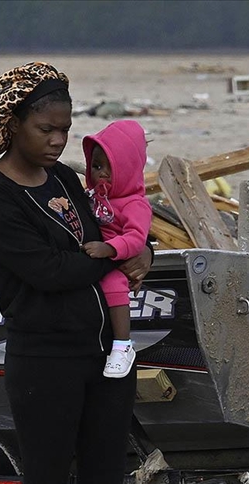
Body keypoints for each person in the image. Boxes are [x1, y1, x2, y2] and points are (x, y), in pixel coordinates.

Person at [0, 62, 152, 484]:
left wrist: (143, 249)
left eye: (65, 129)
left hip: (107, 356)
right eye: (45, 129)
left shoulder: (61, 178)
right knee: (49, 475)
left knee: (107, 474)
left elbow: (104, 232)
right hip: (46, 361)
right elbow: (50, 272)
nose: (58, 141)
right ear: (14, 124)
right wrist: (118, 256)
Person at [82, 120, 153, 378]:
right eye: (96, 165)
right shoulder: (95, 197)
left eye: (110, 168)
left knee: (112, 285)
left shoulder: (135, 204)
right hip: (98, 258)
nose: (101, 173)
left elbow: (136, 238)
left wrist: (109, 249)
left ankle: (122, 345)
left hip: (115, 260)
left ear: (128, 169)